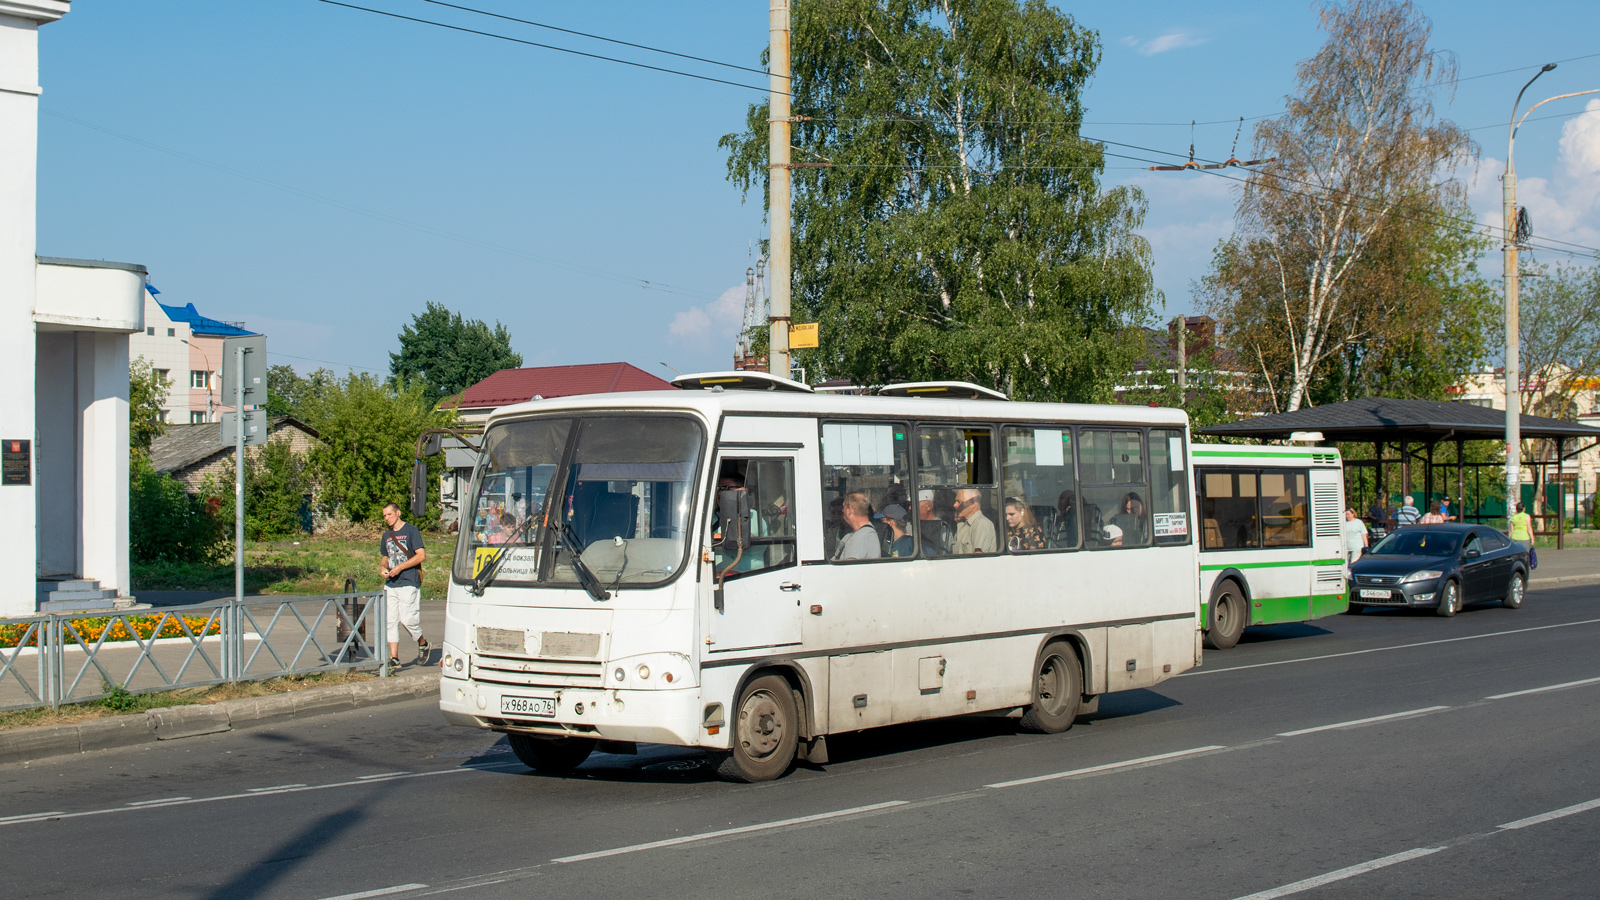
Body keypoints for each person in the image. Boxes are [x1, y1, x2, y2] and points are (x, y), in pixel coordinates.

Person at [379, 502, 429, 670]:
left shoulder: (411, 531)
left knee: (407, 619)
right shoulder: (387, 535)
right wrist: (382, 568)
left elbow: (421, 555)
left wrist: (400, 567)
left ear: (398, 513)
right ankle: (394, 658)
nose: (386, 518)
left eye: (389, 514)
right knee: (391, 621)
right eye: (384, 516)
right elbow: (385, 556)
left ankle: (423, 643)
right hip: (391, 583)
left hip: (409, 581)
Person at [831, 491, 881, 560]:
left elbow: (848, 567)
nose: (842, 511)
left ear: (850, 510)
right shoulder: (853, 534)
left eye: (844, 507)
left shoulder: (862, 536)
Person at [951, 488, 996, 555]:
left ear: (972, 504)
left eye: (959, 501)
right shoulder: (963, 525)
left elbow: (979, 558)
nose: (955, 505)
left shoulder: (981, 524)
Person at [917, 489, 951, 557]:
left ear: (928, 506)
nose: (910, 508)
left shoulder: (942, 527)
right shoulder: (911, 525)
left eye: (915, 505)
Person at [1508, 501, 1536, 569]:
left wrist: (1508, 539)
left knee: (1516, 555)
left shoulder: (1513, 517)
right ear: (1524, 508)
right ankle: (1524, 568)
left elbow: (1511, 530)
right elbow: (1529, 528)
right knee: (1524, 554)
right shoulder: (1526, 516)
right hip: (1524, 537)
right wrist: (1532, 538)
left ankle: (1516, 567)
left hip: (1514, 537)